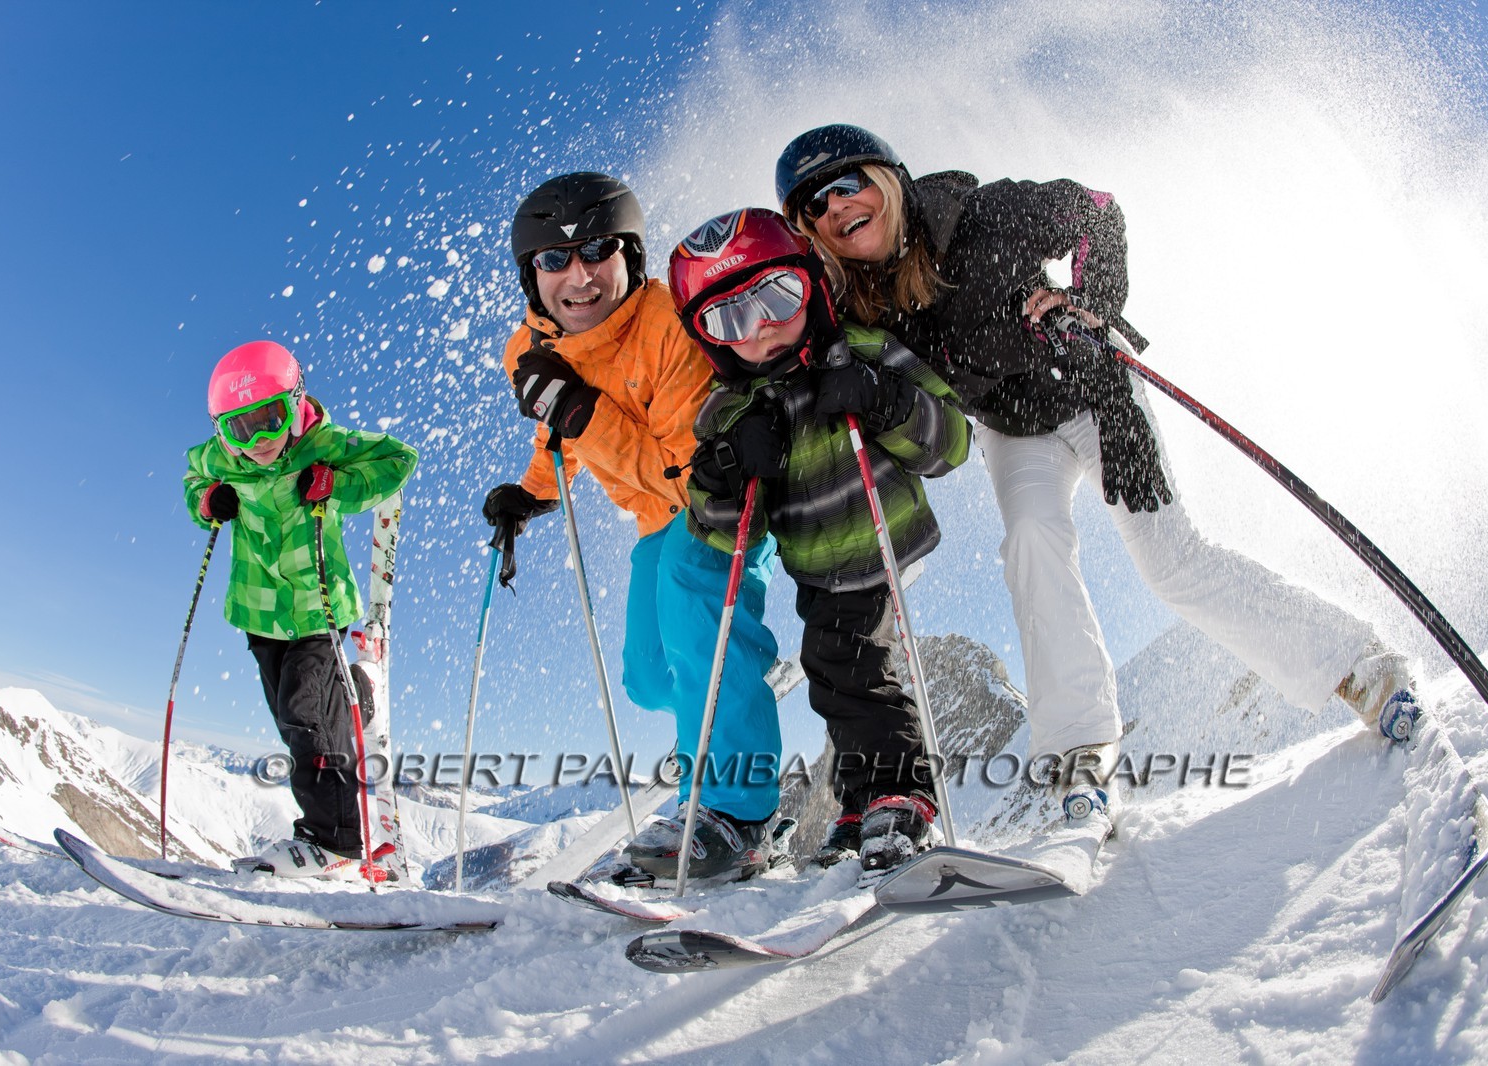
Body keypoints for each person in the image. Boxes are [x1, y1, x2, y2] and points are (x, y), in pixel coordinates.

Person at [772, 124, 1419, 799]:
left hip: (1090, 391)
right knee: (1030, 542)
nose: (834, 206)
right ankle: (1081, 758)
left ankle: (1361, 668)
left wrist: (1094, 303)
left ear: (889, 179)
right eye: (812, 205)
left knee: (1173, 563)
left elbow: (1097, 209)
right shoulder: (859, 309)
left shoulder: (983, 215)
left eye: (847, 183)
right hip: (1013, 430)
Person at [482, 173, 783, 881]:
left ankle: (736, 815)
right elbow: (559, 435)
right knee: (650, 678)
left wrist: (585, 413)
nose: (578, 277)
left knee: (690, 595)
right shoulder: (528, 350)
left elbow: (684, 470)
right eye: (554, 261)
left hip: (720, 501)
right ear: (531, 275)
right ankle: (722, 688)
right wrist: (532, 495)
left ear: (631, 256)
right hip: (655, 520)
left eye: (597, 252)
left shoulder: (668, 326)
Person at [669, 207, 972, 871]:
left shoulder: (865, 351)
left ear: (809, 281)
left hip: (883, 540)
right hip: (816, 566)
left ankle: (902, 798)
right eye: (732, 319)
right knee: (831, 679)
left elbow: (951, 443)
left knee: (855, 666)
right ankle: (862, 807)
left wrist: (885, 399)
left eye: (777, 296)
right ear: (712, 340)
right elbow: (725, 534)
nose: (764, 327)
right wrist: (724, 474)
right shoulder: (732, 412)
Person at [185, 340, 417, 878]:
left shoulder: (326, 443)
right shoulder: (220, 458)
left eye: (271, 419)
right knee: (292, 720)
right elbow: (193, 480)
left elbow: (398, 460)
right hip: (258, 609)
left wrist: (339, 484)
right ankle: (352, 692)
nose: (259, 440)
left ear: (297, 402)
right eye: (240, 429)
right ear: (223, 430)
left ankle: (333, 841)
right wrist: (206, 501)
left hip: (317, 606)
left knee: (303, 714)